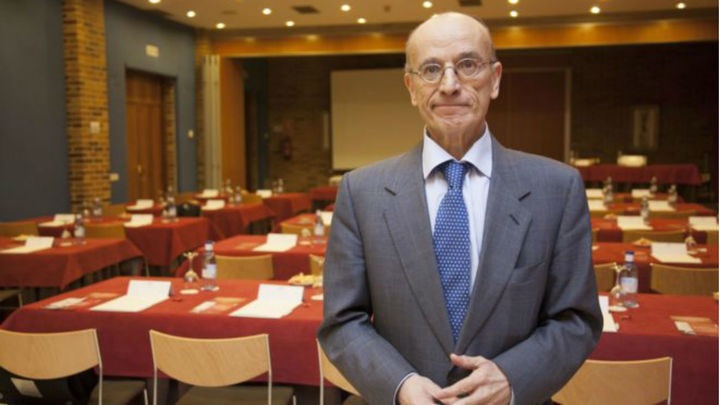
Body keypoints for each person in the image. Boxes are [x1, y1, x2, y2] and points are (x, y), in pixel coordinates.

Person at [318, 12, 602, 405]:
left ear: (495, 79)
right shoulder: (361, 192)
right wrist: (399, 385)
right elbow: (342, 322)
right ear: (411, 87)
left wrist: (513, 377)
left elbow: (576, 319)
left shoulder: (557, 188)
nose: (450, 85)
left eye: (468, 65)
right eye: (431, 69)